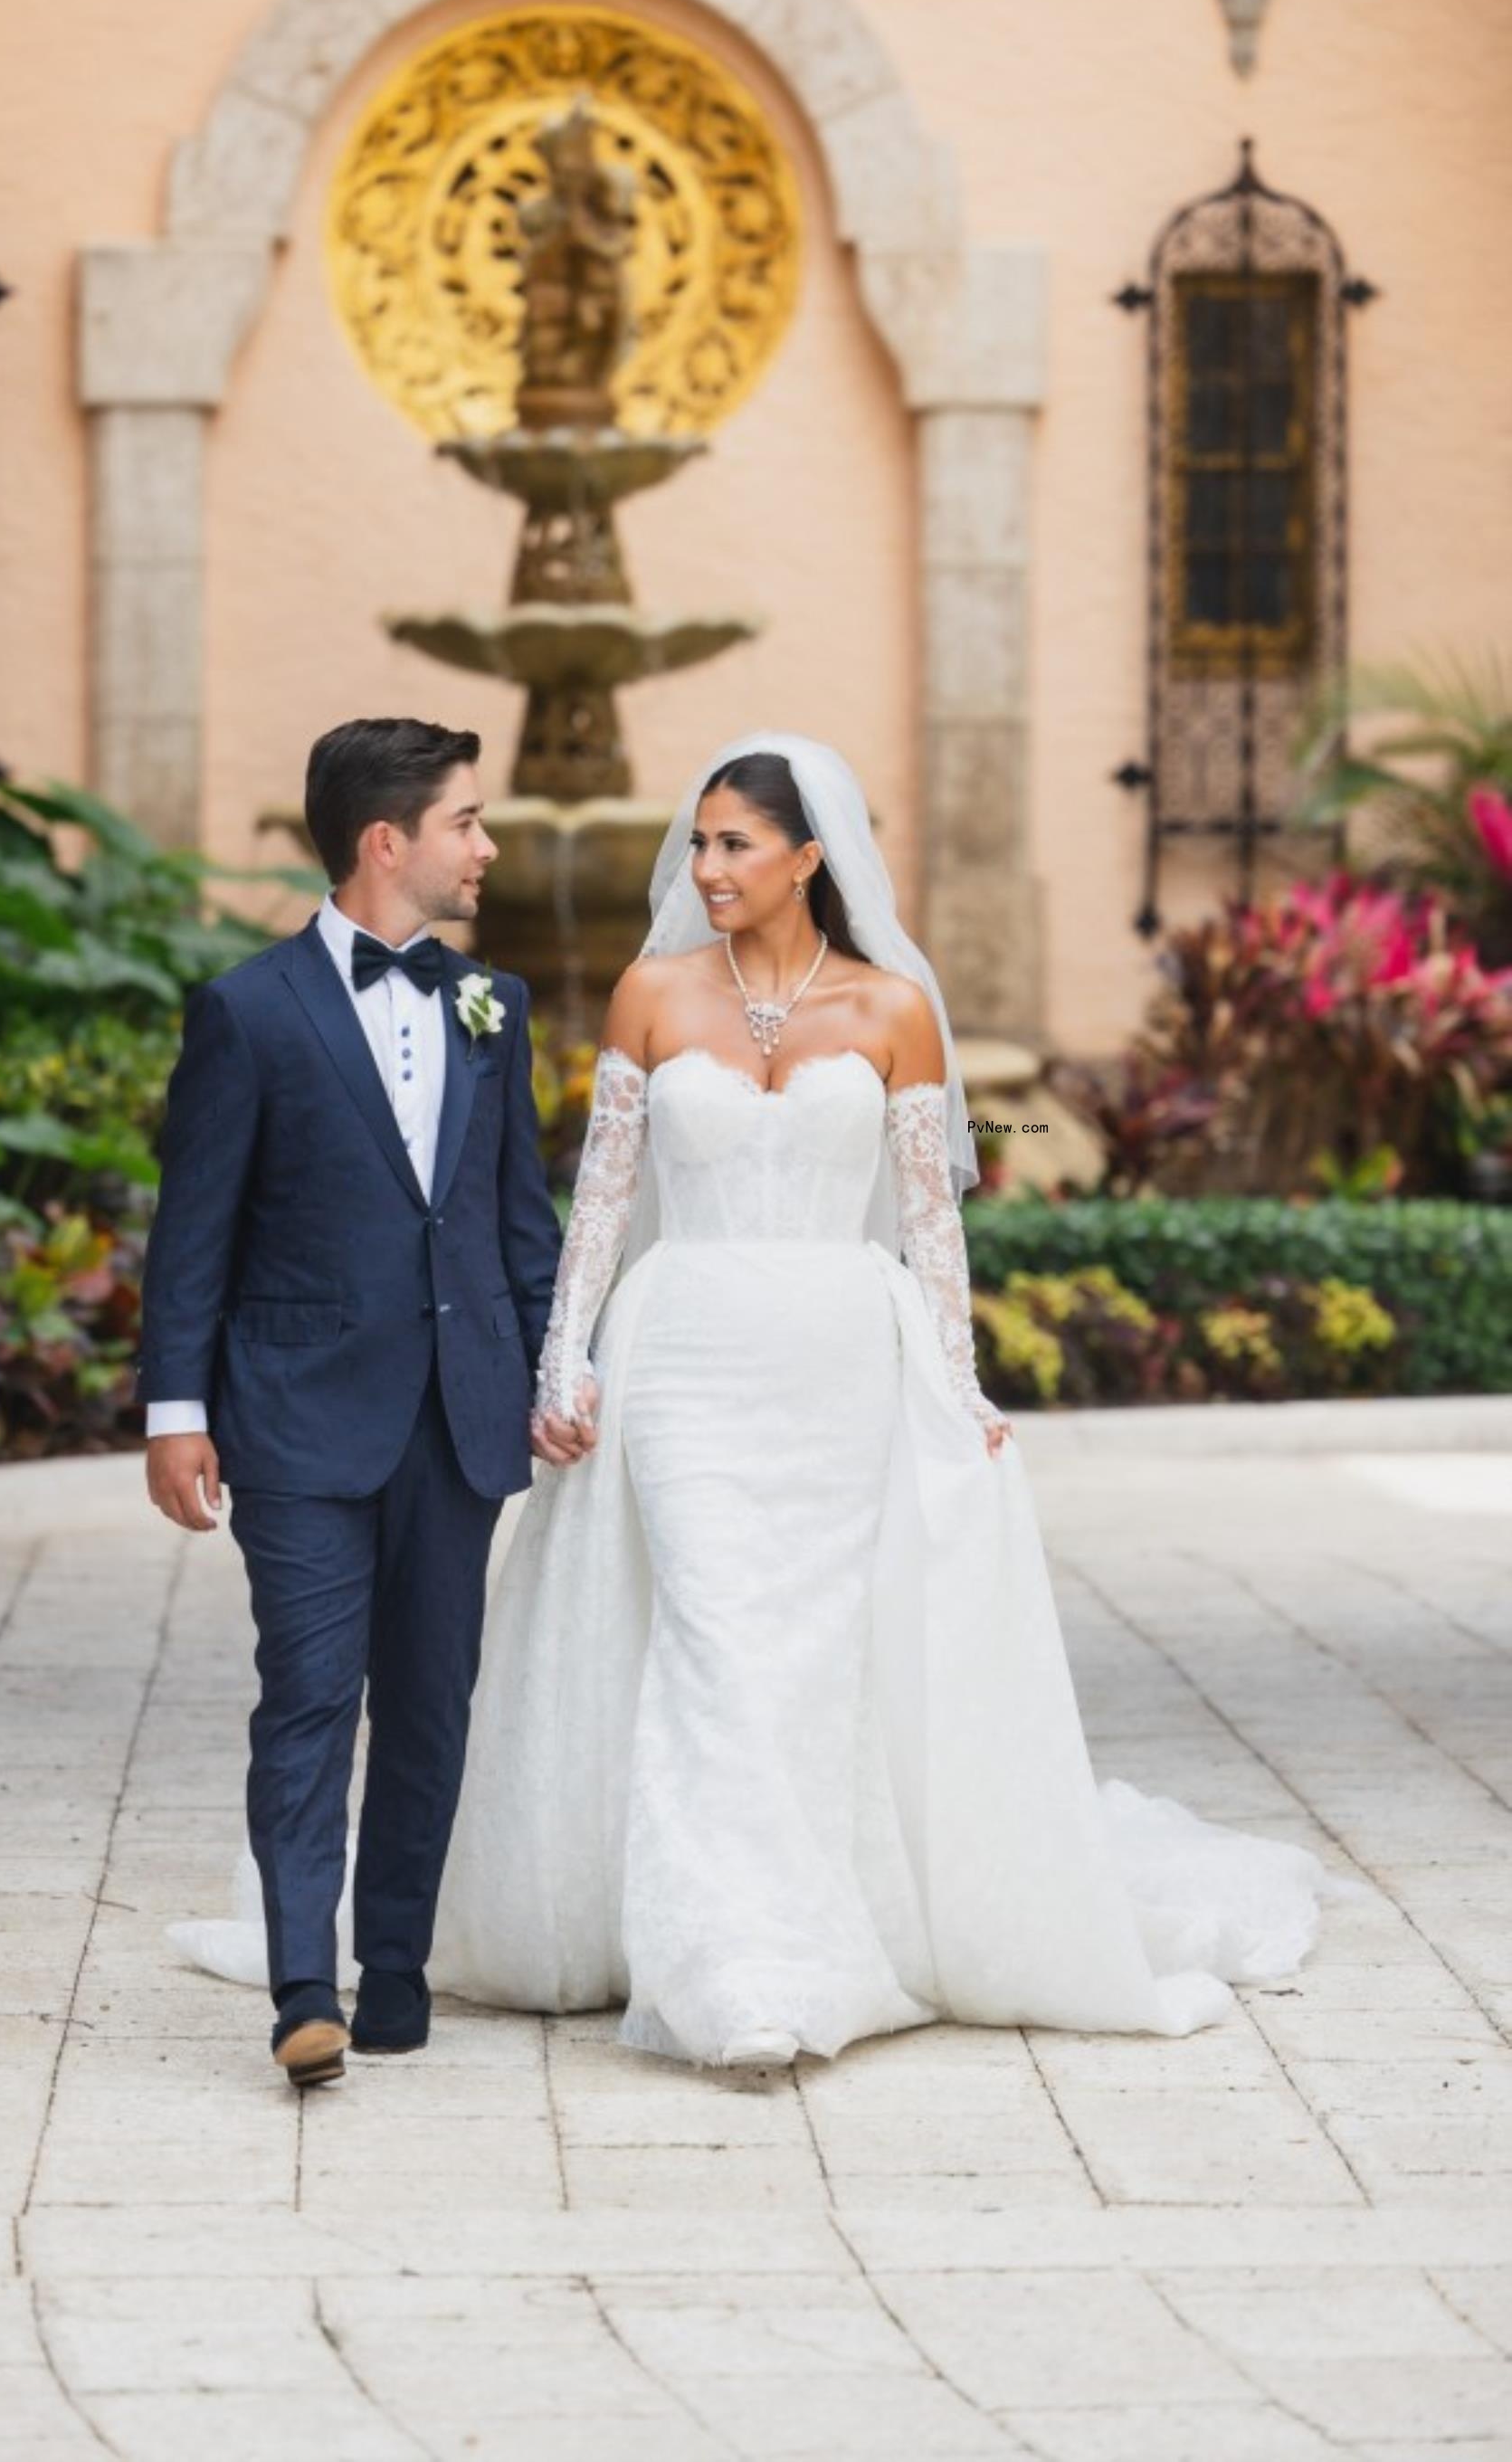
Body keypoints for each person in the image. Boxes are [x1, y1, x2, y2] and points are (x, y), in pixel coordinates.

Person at [170, 729, 1364, 2073]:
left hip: (839, 1363)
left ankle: (812, 1924)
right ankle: (726, 1965)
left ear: (812, 856)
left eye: (736, 842)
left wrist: (957, 1388)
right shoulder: (649, 994)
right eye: (700, 841)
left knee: (810, 1657)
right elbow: (595, 1209)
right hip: (682, 1358)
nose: (708, 864)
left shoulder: (894, 1010)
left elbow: (932, 1230)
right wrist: (563, 1364)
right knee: (714, 1636)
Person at [140, 716, 560, 2087]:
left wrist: (554, 1371)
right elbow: (192, 1225)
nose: (486, 846)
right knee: (310, 1695)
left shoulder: (495, 1005)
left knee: (433, 1701)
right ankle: (302, 1986)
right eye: (467, 821)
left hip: (460, 1416)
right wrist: (172, 1409)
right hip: (299, 1418)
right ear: (389, 841)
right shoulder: (250, 1010)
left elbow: (519, 1224)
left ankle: (394, 1970)